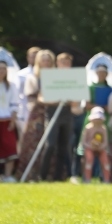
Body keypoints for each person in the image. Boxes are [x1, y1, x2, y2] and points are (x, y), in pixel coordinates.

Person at [38, 53, 80, 182]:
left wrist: (71, 101)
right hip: (52, 113)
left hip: (67, 115)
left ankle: (58, 177)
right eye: (63, 63)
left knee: (64, 146)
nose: (65, 65)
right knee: (50, 145)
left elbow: (76, 101)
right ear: (57, 63)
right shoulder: (51, 77)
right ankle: (42, 176)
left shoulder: (74, 79)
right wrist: (55, 101)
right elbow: (41, 97)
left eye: (68, 63)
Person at [16, 49, 55, 180]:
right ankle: (30, 174)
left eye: (48, 60)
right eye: (43, 60)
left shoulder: (56, 78)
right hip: (37, 115)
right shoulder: (33, 78)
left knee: (51, 143)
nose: (46, 63)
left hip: (53, 112)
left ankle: (48, 175)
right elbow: (31, 97)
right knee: (33, 143)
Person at [81, 107, 111, 183]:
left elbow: (105, 142)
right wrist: (91, 146)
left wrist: (101, 147)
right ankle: (87, 179)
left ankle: (106, 180)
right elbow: (84, 141)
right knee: (89, 159)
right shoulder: (88, 128)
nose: (97, 121)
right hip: (89, 148)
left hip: (100, 148)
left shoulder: (103, 129)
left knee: (105, 160)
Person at [15, 47, 41, 135]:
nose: (34, 59)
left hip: (40, 111)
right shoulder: (20, 74)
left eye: (36, 56)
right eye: (32, 56)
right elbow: (16, 93)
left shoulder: (46, 74)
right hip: (24, 110)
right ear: (28, 58)